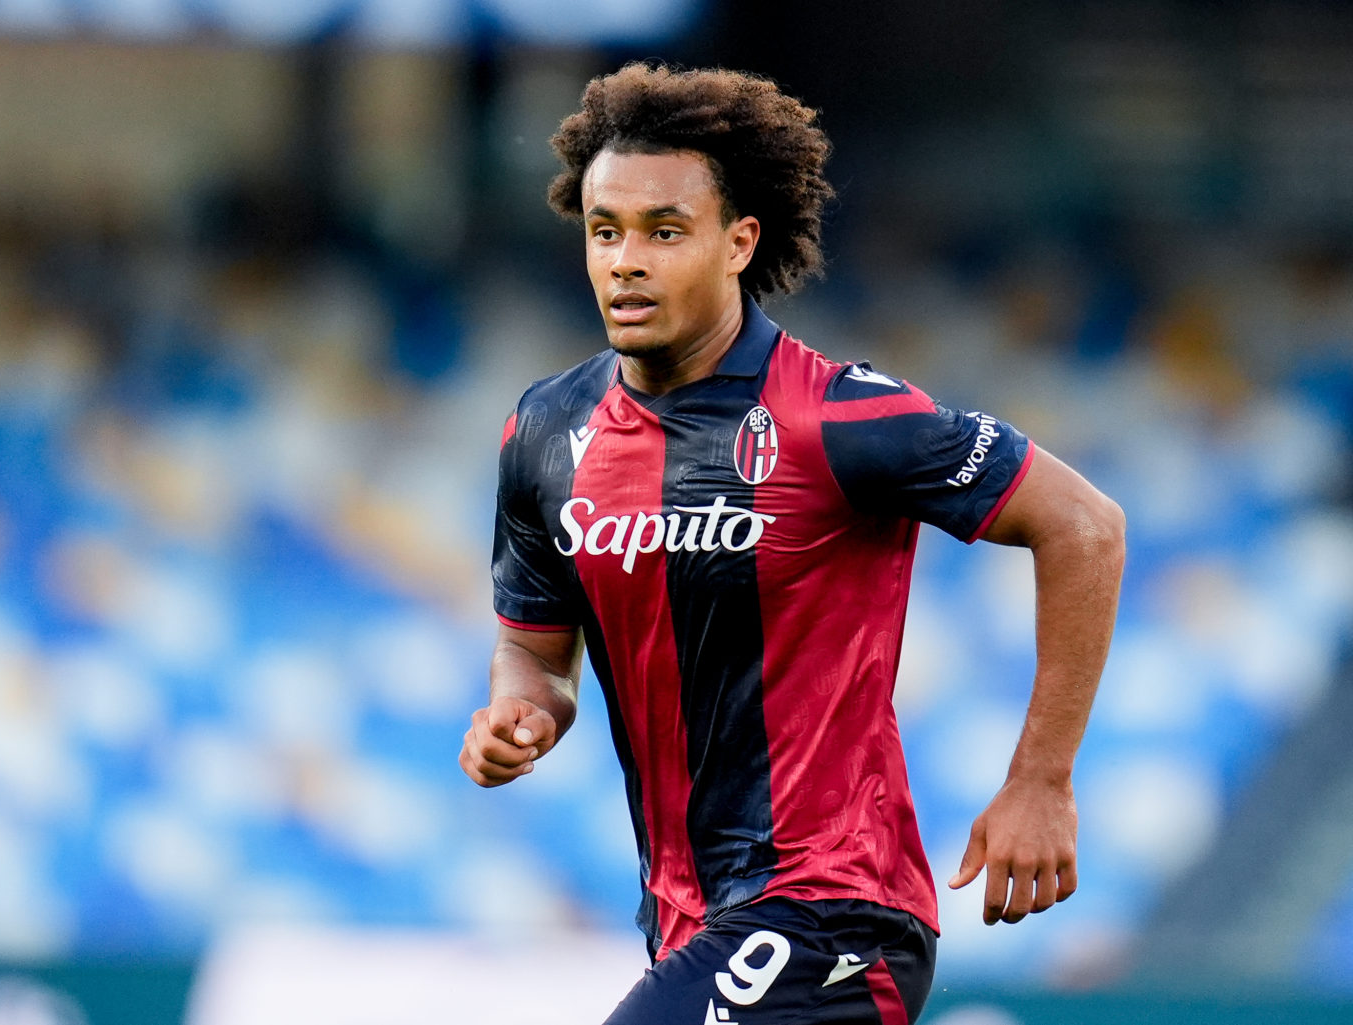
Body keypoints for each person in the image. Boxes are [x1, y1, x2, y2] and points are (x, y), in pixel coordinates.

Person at [460, 63, 1125, 1025]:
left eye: (663, 232)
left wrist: (1042, 780)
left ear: (740, 242)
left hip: (835, 909)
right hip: (688, 918)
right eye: (605, 232)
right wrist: (517, 714)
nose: (625, 261)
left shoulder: (839, 418)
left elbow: (1085, 524)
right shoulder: (546, 431)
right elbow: (534, 648)